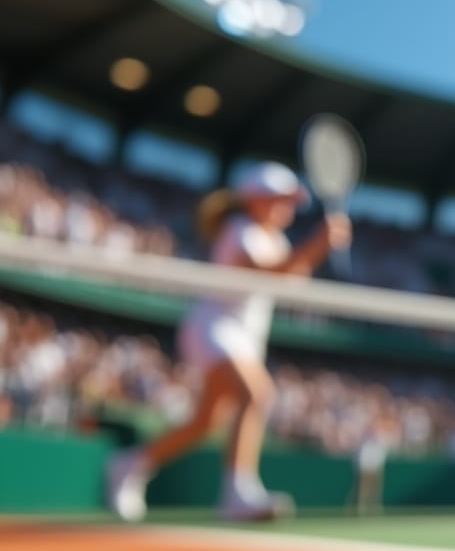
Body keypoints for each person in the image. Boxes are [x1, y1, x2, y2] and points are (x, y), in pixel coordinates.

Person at [105, 162, 351, 521]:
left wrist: (318, 249)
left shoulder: (275, 240)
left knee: (204, 424)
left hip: (244, 338)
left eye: (290, 200)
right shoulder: (240, 230)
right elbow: (272, 271)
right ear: (254, 200)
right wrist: (318, 244)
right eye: (279, 198)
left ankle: (128, 464)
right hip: (214, 329)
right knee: (256, 394)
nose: (287, 207)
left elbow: (290, 276)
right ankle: (237, 494)